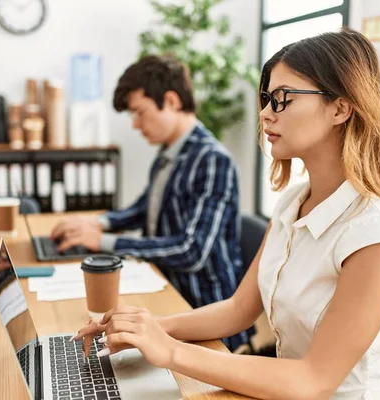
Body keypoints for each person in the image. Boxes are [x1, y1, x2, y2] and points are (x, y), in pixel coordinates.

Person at [71, 28, 380, 399]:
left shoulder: (379, 235)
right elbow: (238, 310)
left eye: (282, 99)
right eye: (267, 99)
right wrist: (146, 327)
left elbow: (313, 381)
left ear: (340, 107)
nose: (265, 113)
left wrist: (170, 351)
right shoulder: (293, 203)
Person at [51, 55, 253, 351]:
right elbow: (144, 208)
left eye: (139, 112)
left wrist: (105, 241)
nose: (135, 124)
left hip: (199, 306)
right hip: (164, 284)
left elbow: (191, 250)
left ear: (170, 101)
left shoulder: (212, 160)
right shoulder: (168, 154)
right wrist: (95, 223)